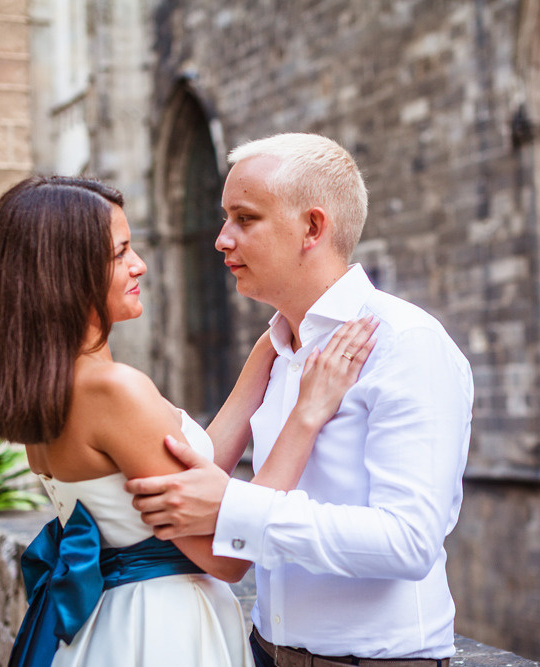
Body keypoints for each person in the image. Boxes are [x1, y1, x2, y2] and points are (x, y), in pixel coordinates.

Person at [0, 175, 377, 667]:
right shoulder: (112, 390)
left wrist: (273, 344)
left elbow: (189, 473)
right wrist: (307, 414)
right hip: (160, 633)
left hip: (109, 624)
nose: (140, 265)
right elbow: (229, 558)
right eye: (120, 252)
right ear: (64, 270)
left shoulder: (53, 387)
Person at [126, 133, 474, 667]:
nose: (221, 239)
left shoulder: (405, 343)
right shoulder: (277, 348)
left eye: (245, 219)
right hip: (264, 649)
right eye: (225, 218)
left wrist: (234, 508)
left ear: (312, 228)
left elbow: (409, 541)